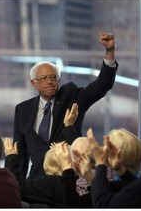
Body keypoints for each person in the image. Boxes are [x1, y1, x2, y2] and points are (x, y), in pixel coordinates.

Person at [13, 31, 118, 180]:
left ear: (59, 80)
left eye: (53, 77)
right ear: (33, 83)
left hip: (70, 179)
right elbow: (20, 154)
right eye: (43, 78)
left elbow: (103, 85)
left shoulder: (72, 98)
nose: (49, 81)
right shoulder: (23, 110)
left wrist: (109, 51)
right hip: (37, 183)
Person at [4, 105, 79, 208]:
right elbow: (84, 152)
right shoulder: (84, 180)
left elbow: (16, 189)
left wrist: (11, 157)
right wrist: (69, 126)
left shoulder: (50, 184)